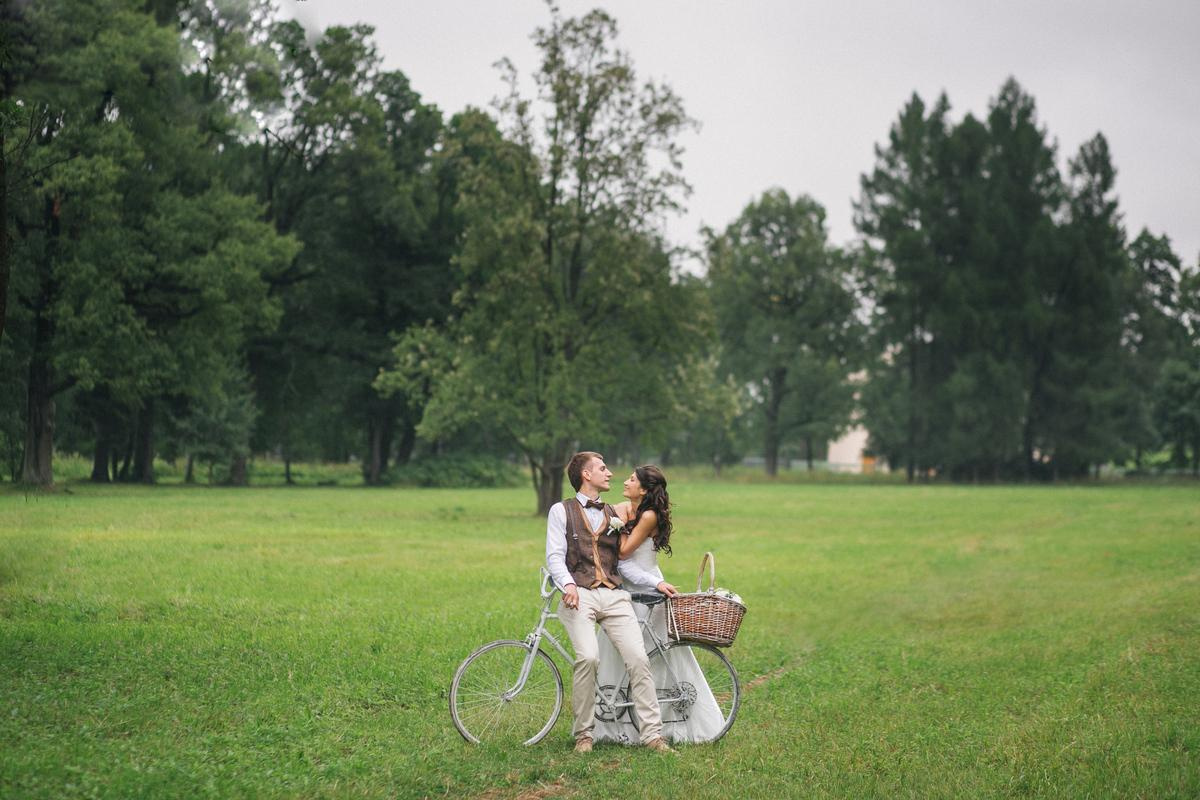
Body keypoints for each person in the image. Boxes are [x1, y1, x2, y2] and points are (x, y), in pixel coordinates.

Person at [545, 451, 677, 754]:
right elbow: (554, 556)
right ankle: (584, 735)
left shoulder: (613, 514)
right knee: (589, 658)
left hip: (615, 595)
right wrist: (567, 585)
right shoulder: (560, 511)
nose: (610, 474)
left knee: (639, 659)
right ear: (586, 475)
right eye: (603, 469)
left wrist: (656, 582)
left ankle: (653, 736)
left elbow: (624, 563)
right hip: (580, 594)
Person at [591, 464, 727, 744]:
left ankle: (660, 723)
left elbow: (625, 552)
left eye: (631, 479)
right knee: (616, 652)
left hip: (646, 584)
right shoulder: (628, 508)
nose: (625, 481)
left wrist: (618, 525)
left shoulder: (649, 515)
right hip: (626, 585)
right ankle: (619, 722)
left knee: (653, 654)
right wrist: (616, 518)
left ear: (643, 489)